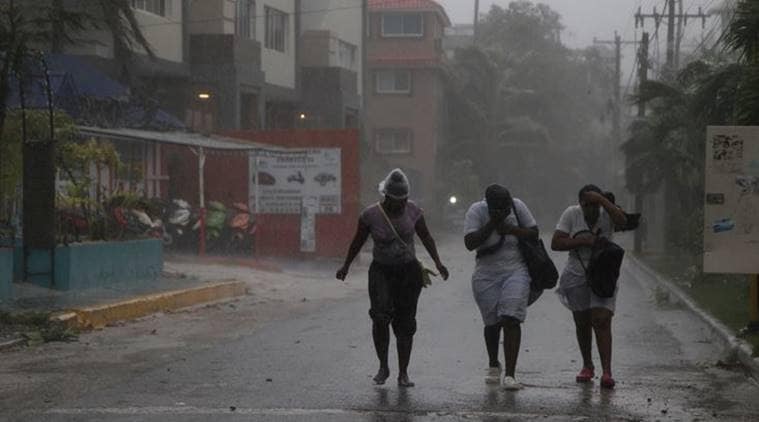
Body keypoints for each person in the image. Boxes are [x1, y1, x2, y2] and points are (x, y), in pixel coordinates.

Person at [336, 169, 449, 387]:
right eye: (397, 200)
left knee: (405, 323)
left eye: (404, 199)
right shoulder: (370, 215)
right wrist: (346, 265)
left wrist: (438, 262)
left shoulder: (414, 211)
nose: (401, 204)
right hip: (381, 272)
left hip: (408, 273)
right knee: (380, 317)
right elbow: (357, 241)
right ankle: (383, 366)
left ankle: (403, 373)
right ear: (386, 196)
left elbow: (426, 236)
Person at [551, 184, 627, 389]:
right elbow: (556, 242)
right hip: (577, 271)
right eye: (587, 205)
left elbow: (622, 221)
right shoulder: (571, 214)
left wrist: (604, 201)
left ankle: (607, 372)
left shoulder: (608, 212)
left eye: (595, 205)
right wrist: (583, 241)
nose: (591, 209)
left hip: (603, 271)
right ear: (580, 204)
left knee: (601, 319)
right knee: (582, 321)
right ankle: (587, 365)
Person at [464, 184, 539, 390]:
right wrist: (493, 223)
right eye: (498, 207)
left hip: (516, 269)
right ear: (488, 204)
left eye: (506, 206)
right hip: (486, 273)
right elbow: (470, 242)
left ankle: (511, 375)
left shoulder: (518, 207)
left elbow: (534, 233)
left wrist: (512, 229)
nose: (504, 209)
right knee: (492, 323)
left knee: (511, 318)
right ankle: (493, 364)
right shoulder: (476, 211)